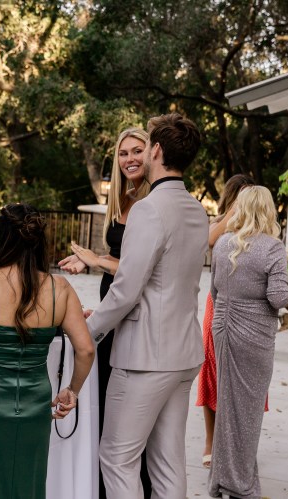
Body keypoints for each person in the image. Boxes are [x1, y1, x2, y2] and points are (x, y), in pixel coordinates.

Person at [85, 112, 208, 498]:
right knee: (168, 463)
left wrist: (85, 331)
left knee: (117, 457)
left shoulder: (148, 209)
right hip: (184, 354)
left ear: (155, 150)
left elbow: (126, 290)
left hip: (144, 358)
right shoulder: (197, 209)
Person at [0, 203, 95, 499]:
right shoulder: (60, 287)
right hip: (34, 402)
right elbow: (85, 350)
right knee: (27, 483)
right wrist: (72, 390)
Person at [58, 126, 152, 499]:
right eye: (123, 153)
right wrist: (91, 263)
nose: (130, 158)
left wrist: (97, 260)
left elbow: (141, 271)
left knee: (127, 423)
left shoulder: (152, 202)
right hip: (111, 314)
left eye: (137, 150)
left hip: (136, 320)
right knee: (104, 413)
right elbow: (119, 260)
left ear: (152, 152)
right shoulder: (124, 197)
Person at [207, 186, 288, 498]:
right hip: (254, 334)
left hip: (222, 327)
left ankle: (223, 480)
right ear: (268, 210)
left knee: (227, 407)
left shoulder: (222, 243)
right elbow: (277, 297)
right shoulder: (272, 248)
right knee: (247, 412)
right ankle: (240, 485)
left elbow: (215, 292)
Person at [196, 173, 256, 468]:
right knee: (211, 368)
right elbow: (208, 241)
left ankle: (237, 444)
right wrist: (231, 213)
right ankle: (211, 441)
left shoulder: (258, 227)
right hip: (217, 303)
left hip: (249, 307)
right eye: (240, 196)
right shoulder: (219, 222)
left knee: (244, 376)